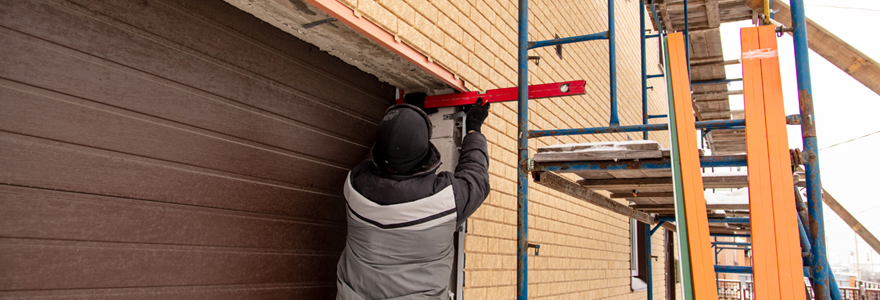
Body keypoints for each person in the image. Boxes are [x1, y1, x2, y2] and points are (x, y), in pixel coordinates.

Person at [336, 94, 492, 300]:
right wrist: (473, 128)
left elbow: (377, 158)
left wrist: (408, 122)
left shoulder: (354, 185)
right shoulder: (445, 201)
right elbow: (476, 176)